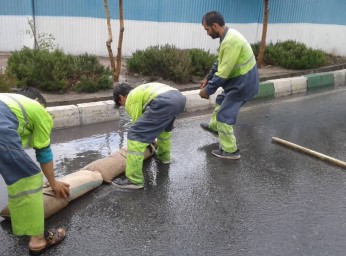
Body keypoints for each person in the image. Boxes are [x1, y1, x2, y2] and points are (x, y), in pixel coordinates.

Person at [0, 87, 70, 254]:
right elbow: (44, 153)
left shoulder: (10, 102)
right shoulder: (38, 109)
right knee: (28, 176)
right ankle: (39, 240)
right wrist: (54, 184)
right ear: (39, 103)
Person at [199, 11, 259, 159]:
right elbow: (219, 61)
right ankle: (215, 128)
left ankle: (230, 151)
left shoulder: (231, 41)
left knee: (224, 115)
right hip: (238, 81)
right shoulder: (226, 36)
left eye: (207, 29)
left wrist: (207, 91)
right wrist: (208, 77)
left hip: (244, 84)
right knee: (221, 100)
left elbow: (223, 73)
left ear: (215, 25)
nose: (207, 33)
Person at [112, 82, 186, 189]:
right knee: (164, 131)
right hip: (179, 98)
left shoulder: (131, 97)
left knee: (135, 134)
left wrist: (144, 140)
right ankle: (164, 157)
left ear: (122, 97)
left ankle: (134, 180)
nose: (124, 106)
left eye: (121, 103)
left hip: (163, 101)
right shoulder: (142, 90)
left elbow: (137, 123)